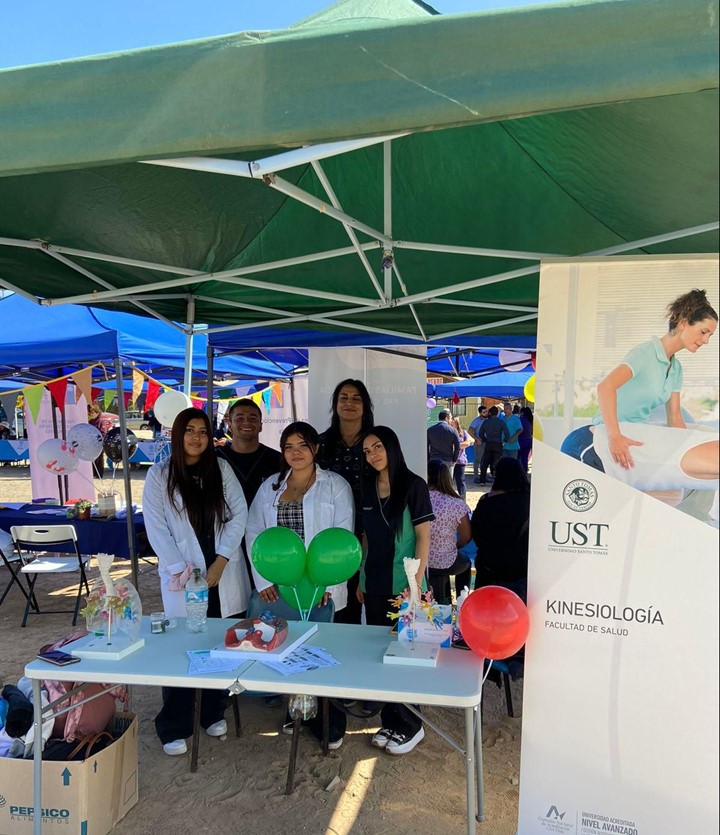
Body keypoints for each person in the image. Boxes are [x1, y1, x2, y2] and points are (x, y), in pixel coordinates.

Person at [143, 407, 250, 756]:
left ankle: (212, 710)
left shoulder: (220, 468)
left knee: (220, 641)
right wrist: (179, 569)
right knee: (183, 647)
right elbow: (156, 528)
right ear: (177, 434)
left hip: (221, 568)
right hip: (184, 573)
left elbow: (239, 514)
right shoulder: (160, 475)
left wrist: (220, 562)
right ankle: (174, 723)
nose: (196, 438)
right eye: (189, 430)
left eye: (203, 431)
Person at [245, 421, 354, 749]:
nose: (296, 452)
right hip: (280, 586)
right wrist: (263, 579)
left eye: (303, 446)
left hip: (321, 586)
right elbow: (254, 531)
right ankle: (298, 712)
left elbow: (343, 536)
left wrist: (331, 586)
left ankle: (329, 723)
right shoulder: (271, 487)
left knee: (322, 652)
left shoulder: (335, 485)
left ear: (316, 449)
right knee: (288, 649)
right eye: (289, 447)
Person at [560, 289, 718, 513]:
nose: (706, 340)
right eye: (703, 332)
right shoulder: (646, 353)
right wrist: (615, 436)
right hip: (595, 439)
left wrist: (682, 451)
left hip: (634, 438)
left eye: (710, 336)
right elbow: (606, 387)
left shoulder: (676, 368)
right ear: (683, 323)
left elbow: (675, 418)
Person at [359, 426, 434, 755]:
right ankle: (391, 720)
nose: (373, 454)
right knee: (382, 655)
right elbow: (365, 538)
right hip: (374, 583)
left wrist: (415, 585)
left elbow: (423, 538)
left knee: (406, 655)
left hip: (406, 585)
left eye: (377, 447)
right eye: (367, 451)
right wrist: (361, 578)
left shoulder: (414, 485)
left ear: (392, 446)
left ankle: (412, 725)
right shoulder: (366, 486)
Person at [317, 379, 374, 625]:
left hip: (371, 530)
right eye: (343, 397)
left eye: (356, 398)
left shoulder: (376, 443)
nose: (349, 402)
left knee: (365, 598)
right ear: (335, 405)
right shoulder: (320, 444)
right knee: (331, 599)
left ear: (365, 406)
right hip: (329, 531)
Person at [471, 457, 530, 603]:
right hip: (522, 568)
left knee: (485, 612)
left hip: (489, 568)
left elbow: (476, 533)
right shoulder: (531, 501)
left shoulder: (486, 501)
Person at [426, 458, 472, 605]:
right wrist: (454, 547)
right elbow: (466, 537)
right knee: (465, 563)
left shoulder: (418, 499)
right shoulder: (457, 504)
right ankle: (462, 602)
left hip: (420, 560)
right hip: (448, 560)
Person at [477, 407, 509, 485]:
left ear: (490, 413)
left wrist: (485, 440)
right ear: (497, 413)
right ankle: (497, 480)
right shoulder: (501, 422)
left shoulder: (486, 422)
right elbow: (507, 434)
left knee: (485, 463)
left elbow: (480, 434)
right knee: (497, 463)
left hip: (489, 443)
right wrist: (504, 441)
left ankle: (482, 481)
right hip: (498, 444)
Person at [426, 409, 460, 475]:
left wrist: (429, 458)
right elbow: (457, 447)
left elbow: (426, 446)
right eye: (450, 418)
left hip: (434, 460)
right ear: (446, 418)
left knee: (434, 482)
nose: (451, 421)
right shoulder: (453, 431)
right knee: (448, 483)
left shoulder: (430, 430)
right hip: (448, 460)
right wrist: (454, 459)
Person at [87, 403, 115, 478]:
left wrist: (100, 441)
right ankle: (93, 473)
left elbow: (103, 432)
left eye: (93, 412)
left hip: (99, 443)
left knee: (99, 459)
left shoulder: (101, 421)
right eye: (90, 413)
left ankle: (99, 474)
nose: (91, 414)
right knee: (92, 459)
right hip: (91, 443)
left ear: (97, 413)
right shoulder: (90, 422)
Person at [450, 416, 472, 498]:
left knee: (461, 481)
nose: (452, 424)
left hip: (460, 460)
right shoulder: (449, 432)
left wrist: (456, 446)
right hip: (450, 460)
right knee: (449, 482)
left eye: (453, 422)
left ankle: (463, 498)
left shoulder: (463, 433)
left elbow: (467, 443)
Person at [468, 405, 488, 484]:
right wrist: (477, 439)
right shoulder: (476, 421)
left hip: (487, 442)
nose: (486, 413)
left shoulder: (488, 420)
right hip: (479, 443)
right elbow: (470, 431)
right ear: (480, 413)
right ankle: (476, 477)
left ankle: (484, 476)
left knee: (485, 460)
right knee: (477, 460)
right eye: (484, 412)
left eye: (486, 411)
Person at [518, 407, 534, 473]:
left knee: (518, 457)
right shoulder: (531, 420)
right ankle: (524, 471)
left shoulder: (521, 419)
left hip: (520, 440)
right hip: (528, 440)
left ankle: (518, 471)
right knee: (525, 458)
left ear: (522, 412)